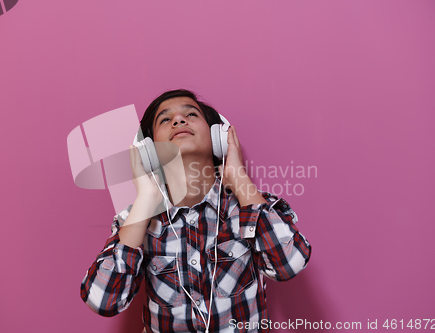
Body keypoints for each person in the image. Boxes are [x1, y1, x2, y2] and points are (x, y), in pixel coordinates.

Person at [80, 89, 312, 332]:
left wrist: (238, 177)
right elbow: (102, 301)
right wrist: (146, 199)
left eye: (191, 114)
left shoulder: (251, 207)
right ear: (149, 151)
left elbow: (290, 264)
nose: (179, 120)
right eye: (165, 119)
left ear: (218, 138)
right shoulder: (136, 221)